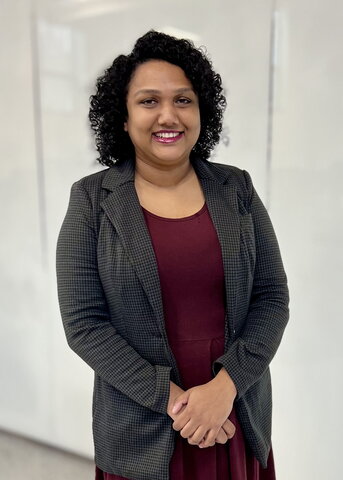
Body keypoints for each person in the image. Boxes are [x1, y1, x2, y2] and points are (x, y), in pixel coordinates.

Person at [56, 30, 289, 480]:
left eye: (183, 100)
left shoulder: (236, 188)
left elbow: (272, 296)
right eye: (148, 101)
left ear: (202, 111)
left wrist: (224, 389)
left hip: (234, 415)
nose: (169, 115)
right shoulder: (91, 200)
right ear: (122, 118)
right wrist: (181, 404)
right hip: (141, 424)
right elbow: (84, 324)